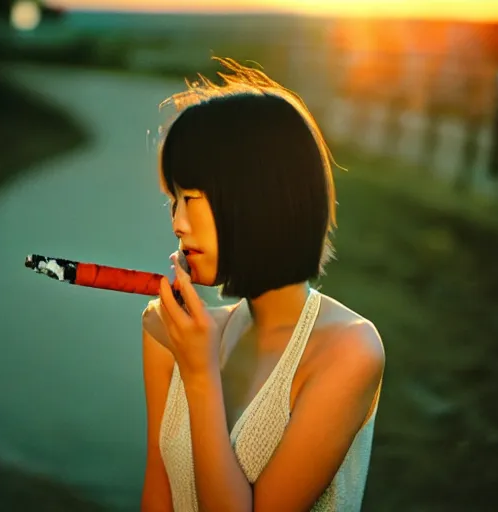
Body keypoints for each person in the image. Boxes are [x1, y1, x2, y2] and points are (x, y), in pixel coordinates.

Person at [141, 57, 385, 512]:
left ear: (256, 201)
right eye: (173, 201)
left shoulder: (349, 351)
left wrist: (199, 373)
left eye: (190, 199)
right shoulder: (165, 334)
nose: (177, 223)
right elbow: (158, 495)